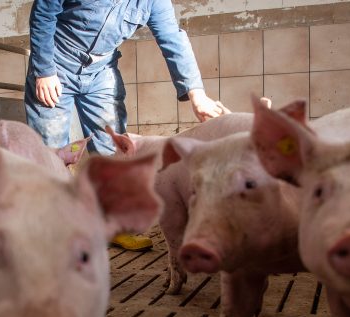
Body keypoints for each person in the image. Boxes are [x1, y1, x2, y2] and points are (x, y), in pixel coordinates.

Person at [26, 0, 227, 251]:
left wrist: (197, 94)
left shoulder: (154, 2)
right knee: (51, 150)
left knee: (116, 147)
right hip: (57, 63)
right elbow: (44, 12)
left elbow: (172, 38)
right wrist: (44, 70)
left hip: (101, 71)